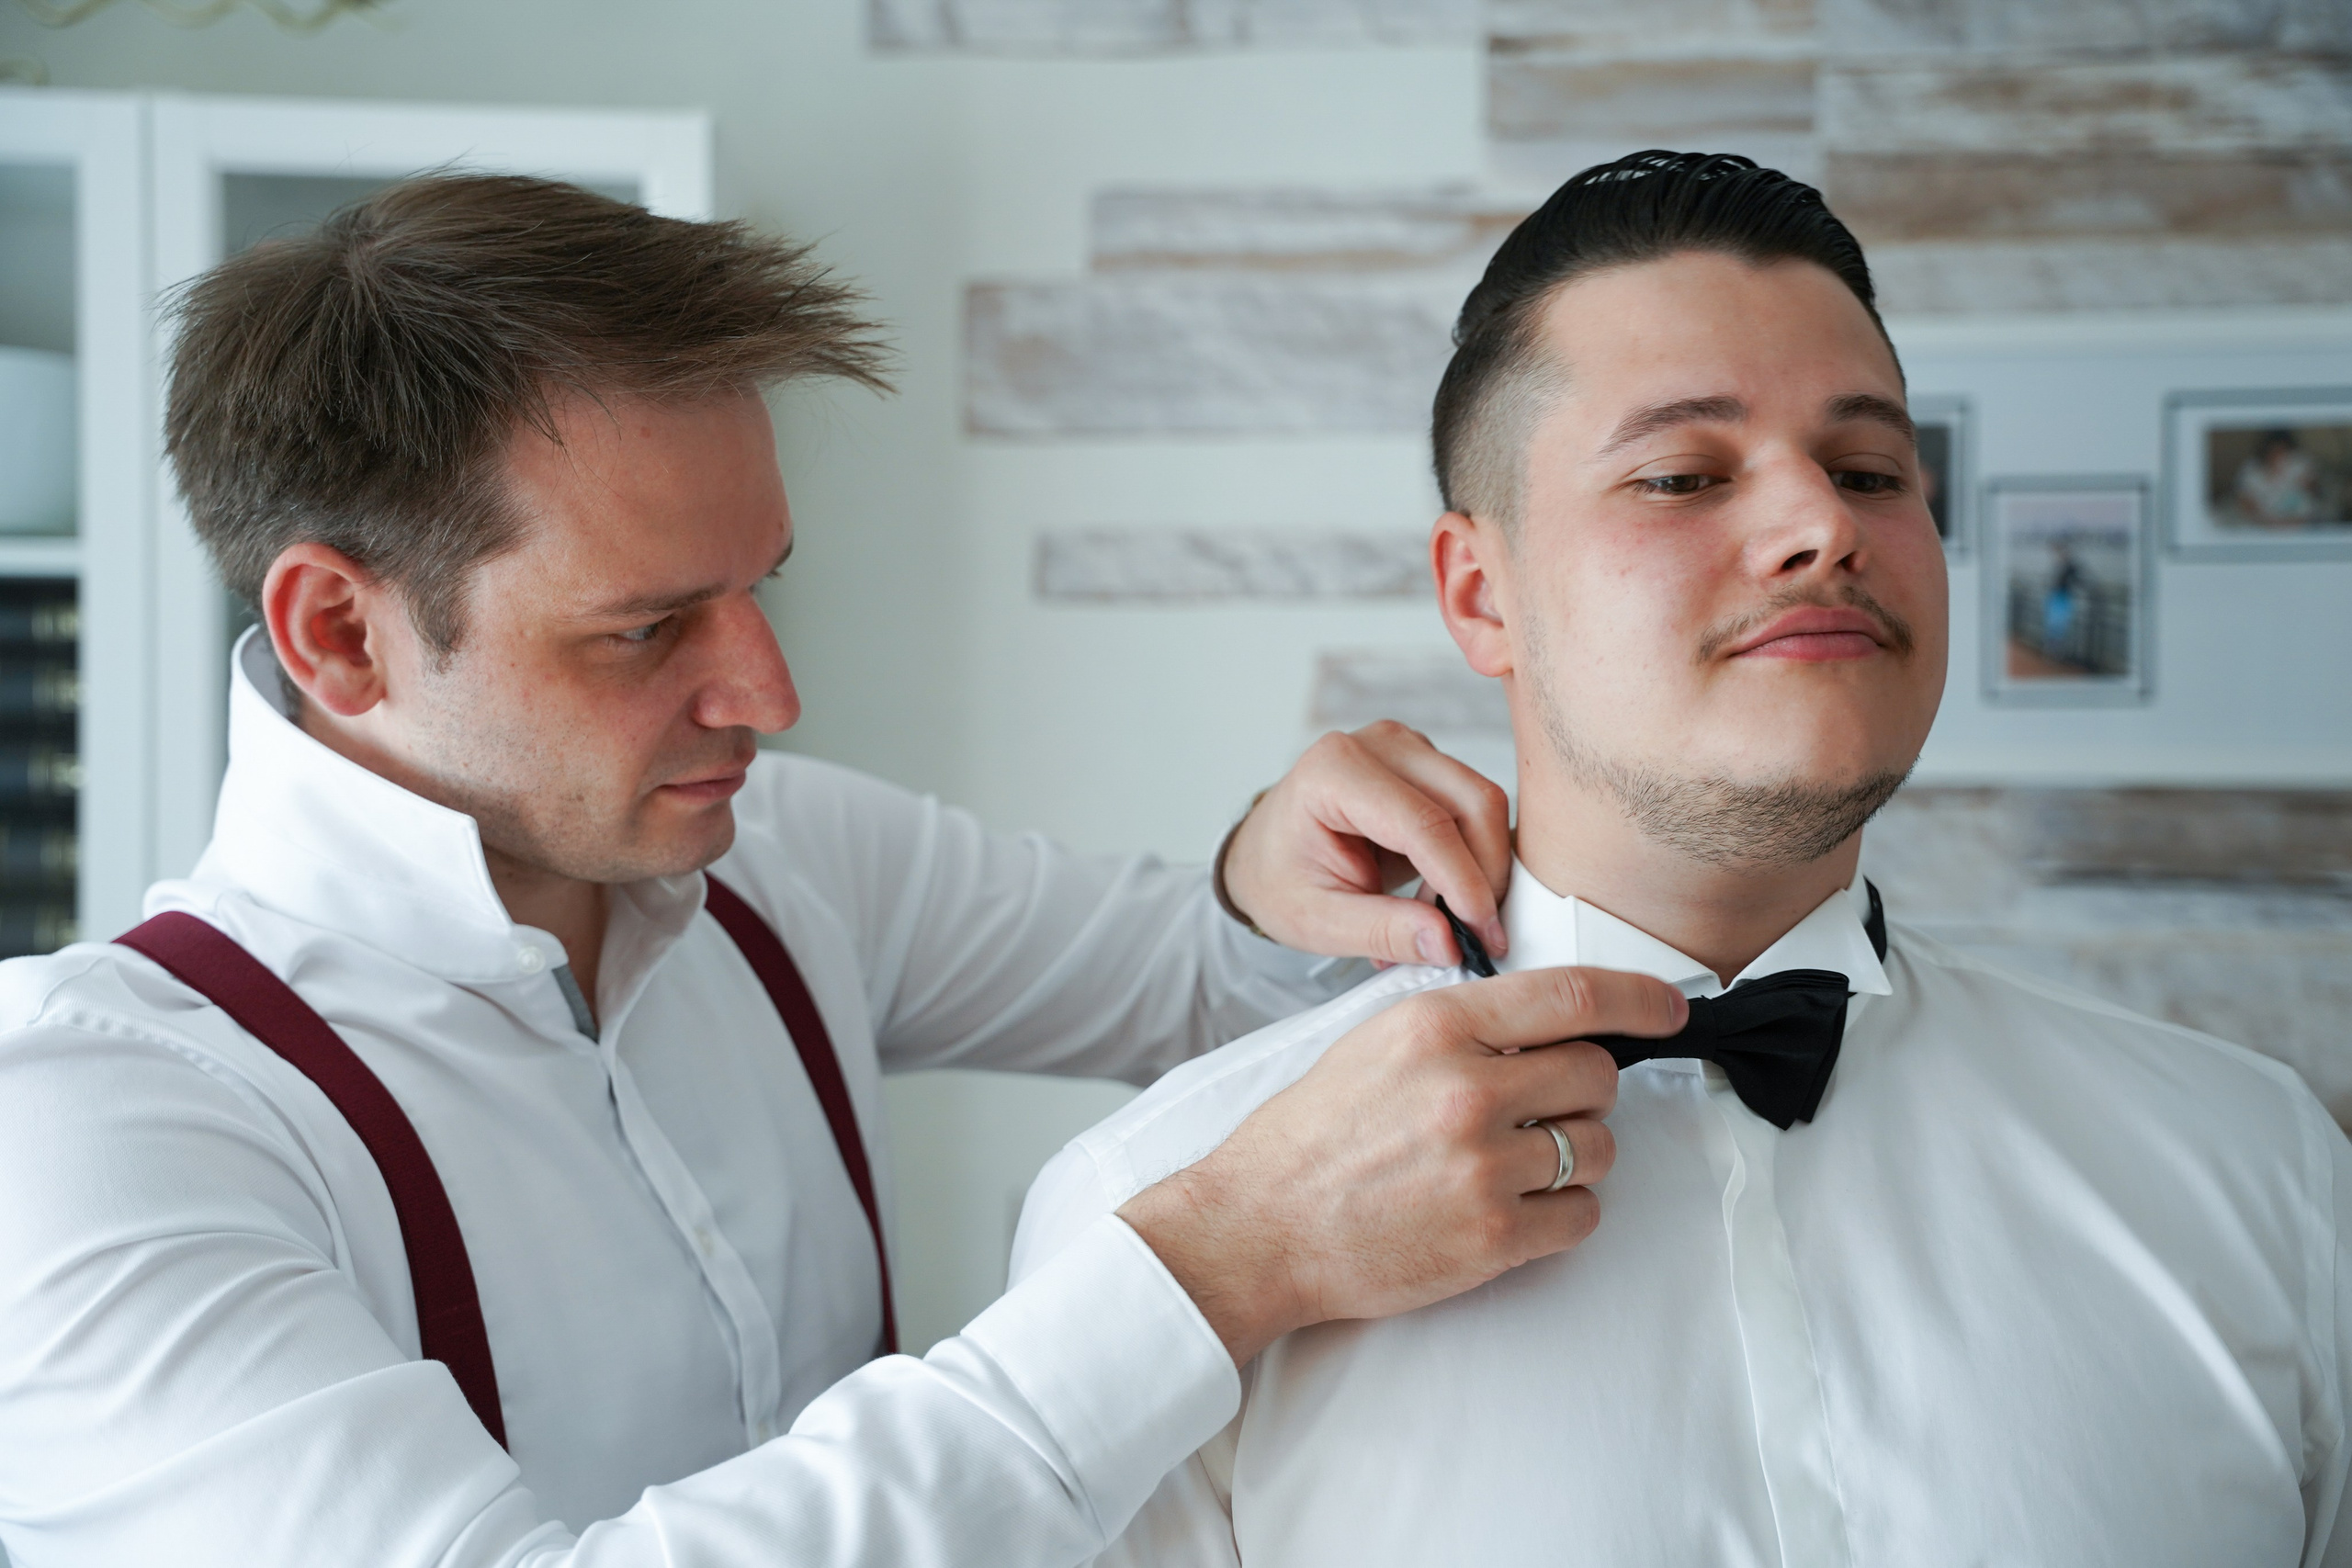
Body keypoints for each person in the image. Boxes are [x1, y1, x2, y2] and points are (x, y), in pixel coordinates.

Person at [0, 175, 1688, 1568]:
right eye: (649, 629)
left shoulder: (784, 858)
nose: (769, 697)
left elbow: (1202, 972)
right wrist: (1218, 1264)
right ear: (337, 631)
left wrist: (1266, 871)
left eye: (764, 591)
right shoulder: (92, 1118)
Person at [1012, 151, 2352, 1567]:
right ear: (1482, 593)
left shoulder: (2258, 1169)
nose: (1825, 525)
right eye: (1680, 474)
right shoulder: (1159, 1211)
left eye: (1871, 469)